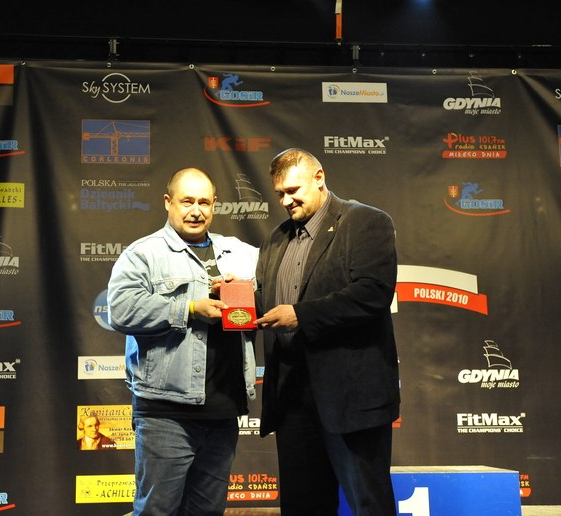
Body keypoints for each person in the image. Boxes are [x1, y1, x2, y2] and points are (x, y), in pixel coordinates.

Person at [254, 148, 400, 516]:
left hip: (350, 398)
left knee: (369, 505)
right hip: (291, 399)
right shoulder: (275, 239)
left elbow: (373, 293)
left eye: (293, 190)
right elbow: (268, 301)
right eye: (279, 194)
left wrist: (301, 315)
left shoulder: (365, 221)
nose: (286, 201)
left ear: (319, 178)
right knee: (302, 507)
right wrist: (234, 296)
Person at [107, 167, 258, 515]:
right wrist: (189, 308)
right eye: (187, 201)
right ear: (168, 202)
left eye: (204, 202)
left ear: (215, 204)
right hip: (166, 413)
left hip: (223, 411)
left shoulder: (239, 253)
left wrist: (243, 292)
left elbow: (272, 293)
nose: (196, 210)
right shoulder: (143, 253)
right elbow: (121, 310)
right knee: (157, 511)